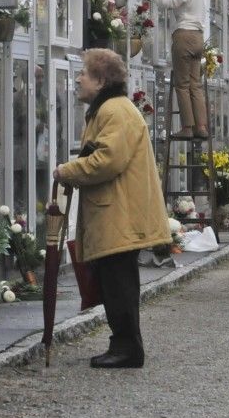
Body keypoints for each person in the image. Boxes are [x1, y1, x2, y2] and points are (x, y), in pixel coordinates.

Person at [53, 49, 171, 368]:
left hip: (119, 214)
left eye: (85, 74)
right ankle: (122, 343)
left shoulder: (115, 111)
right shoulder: (109, 109)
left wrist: (69, 171)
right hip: (114, 211)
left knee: (119, 284)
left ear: (101, 80)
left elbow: (108, 160)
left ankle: (127, 348)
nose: (78, 78)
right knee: (114, 282)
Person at [145, 0, 210, 140]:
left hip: (184, 36)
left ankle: (187, 128)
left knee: (182, 85)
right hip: (198, 38)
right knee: (195, 85)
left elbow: (168, 2)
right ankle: (201, 127)